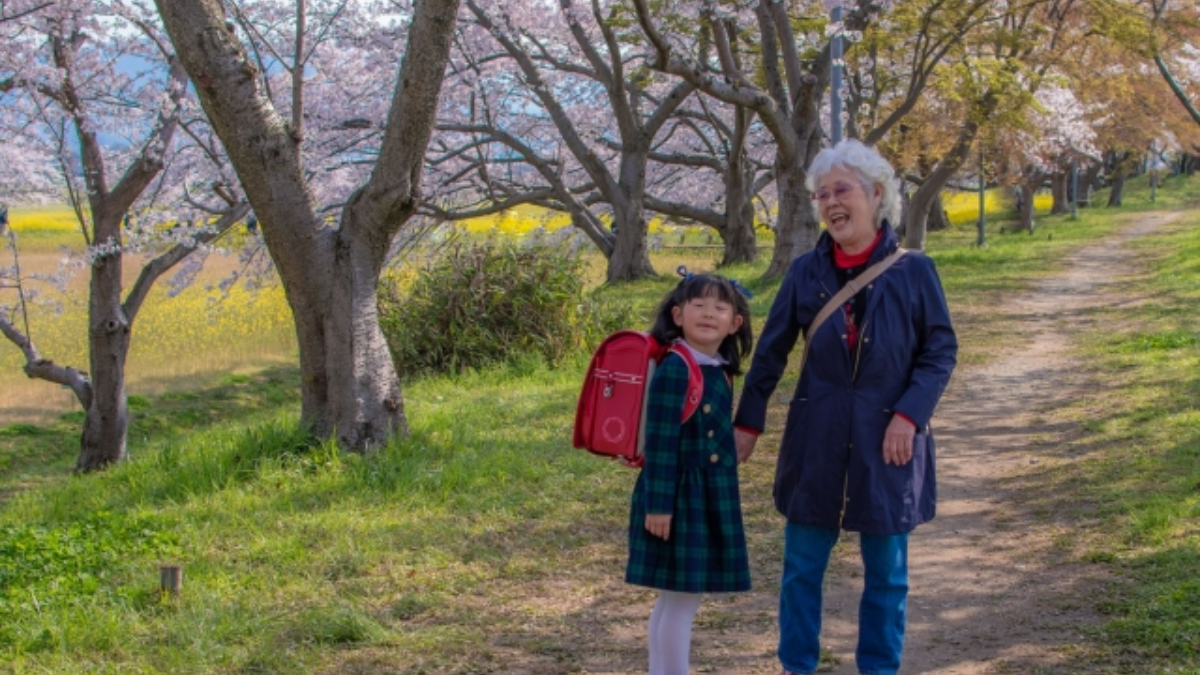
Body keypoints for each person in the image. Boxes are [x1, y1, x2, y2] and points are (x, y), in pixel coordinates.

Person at [732, 139, 957, 675]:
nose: (831, 202)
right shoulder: (805, 273)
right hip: (818, 436)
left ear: (876, 195)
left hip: (890, 438)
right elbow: (771, 352)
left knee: (887, 572)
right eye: (821, 194)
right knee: (802, 567)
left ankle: (879, 668)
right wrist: (748, 421)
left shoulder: (915, 271)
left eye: (842, 189)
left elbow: (940, 349)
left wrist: (910, 414)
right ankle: (796, 666)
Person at [625, 272, 755, 675]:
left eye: (720, 307)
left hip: (704, 499)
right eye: (698, 305)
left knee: (677, 599)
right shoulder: (677, 367)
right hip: (678, 500)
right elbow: (661, 444)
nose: (708, 314)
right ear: (678, 315)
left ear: (736, 323)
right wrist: (659, 506)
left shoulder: (718, 369)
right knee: (681, 599)